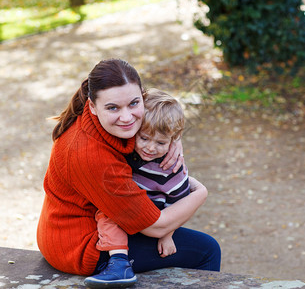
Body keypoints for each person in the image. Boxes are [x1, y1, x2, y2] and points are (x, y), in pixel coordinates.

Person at [36, 59, 221, 288]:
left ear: (142, 96)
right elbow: (157, 226)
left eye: (134, 104)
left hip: (79, 228)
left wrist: (174, 139)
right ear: (92, 106)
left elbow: (161, 114)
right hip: (81, 245)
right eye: (113, 108)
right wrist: (200, 192)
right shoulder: (92, 156)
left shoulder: (104, 119)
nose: (126, 117)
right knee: (206, 250)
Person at [84, 89, 192, 287]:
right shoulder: (125, 148)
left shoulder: (170, 169)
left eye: (160, 142)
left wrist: (168, 234)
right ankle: (118, 261)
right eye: (144, 138)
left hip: (153, 222)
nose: (150, 148)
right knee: (108, 213)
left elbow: (179, 205)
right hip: (124, 216)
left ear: (173, 140)